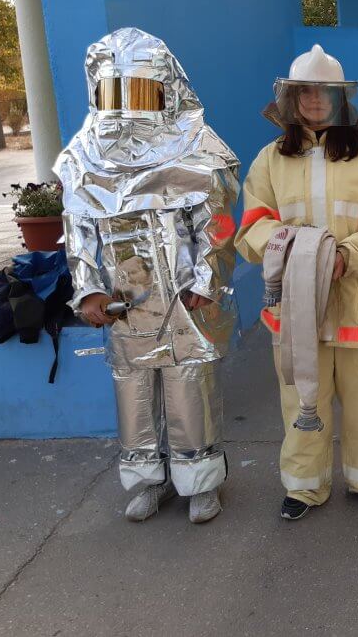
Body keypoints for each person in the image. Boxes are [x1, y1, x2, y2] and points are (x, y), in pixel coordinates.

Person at [56, 27, 240, 523]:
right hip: (123, 304)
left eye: (138, 90)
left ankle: (199, 482)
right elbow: (79, 232)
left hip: (182, 300)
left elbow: (218, 225)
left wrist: (205, 282)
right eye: (114, 91)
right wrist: (88, 290)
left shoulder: (196, 149)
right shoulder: (83, 156)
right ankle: (146, 480)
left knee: (189, 392)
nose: (126, 105)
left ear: (165, 90)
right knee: (133, 397)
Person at [235, 44, 358, 521]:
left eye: (323, 92)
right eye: (305, 92)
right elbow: (252, 227)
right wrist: (294, 252)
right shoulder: (270, 160)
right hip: (294, 310)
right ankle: (304, 486)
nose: (314, 100)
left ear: (340, 99)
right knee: (300, 399)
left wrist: (345, 256)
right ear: (291, 100)